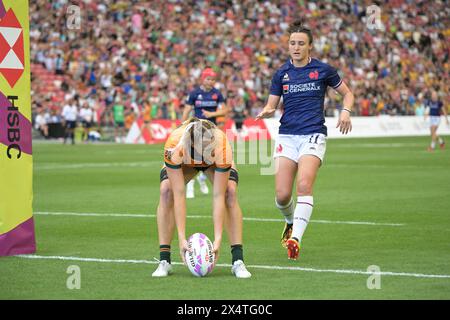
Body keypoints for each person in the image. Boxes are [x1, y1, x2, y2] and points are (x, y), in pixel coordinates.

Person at [256, 20, 354, 260]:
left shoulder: (324, 70)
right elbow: (272, 102)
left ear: (310, 46)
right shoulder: (281, 73)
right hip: (287, 135)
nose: (296, 47)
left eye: (301, 43)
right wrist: (268, 109)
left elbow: (348, 93)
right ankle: (290, 222)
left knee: (304, 186)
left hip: (313, 134)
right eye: (292, 43)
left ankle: (295, 239)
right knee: (281, 195)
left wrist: (345, 111)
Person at [152, 117, 251, 278]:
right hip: (186, 162)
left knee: (229, 192)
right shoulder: (174, 146)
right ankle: (164, 261)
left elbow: (218, 195)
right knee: (167, 191)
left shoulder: (221, 145)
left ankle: (238, 261)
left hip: (213, 164)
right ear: (191, 144)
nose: (208, 151)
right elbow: (179, 193)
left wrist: (218, 238)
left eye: (209, 147)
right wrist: (182, 238)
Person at [182, 68, 229, 198]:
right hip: (196, 128)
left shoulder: (217, 94)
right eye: (208, 79)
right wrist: (183, 125)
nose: (211, 81)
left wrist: (212, 114)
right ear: (203, 79)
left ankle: (202, 180)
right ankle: (190, 187)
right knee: (193, 158)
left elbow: (225, 110)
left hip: (211, 130)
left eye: (213, 79)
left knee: (209, 158)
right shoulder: (194, 93)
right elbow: (186, 110)